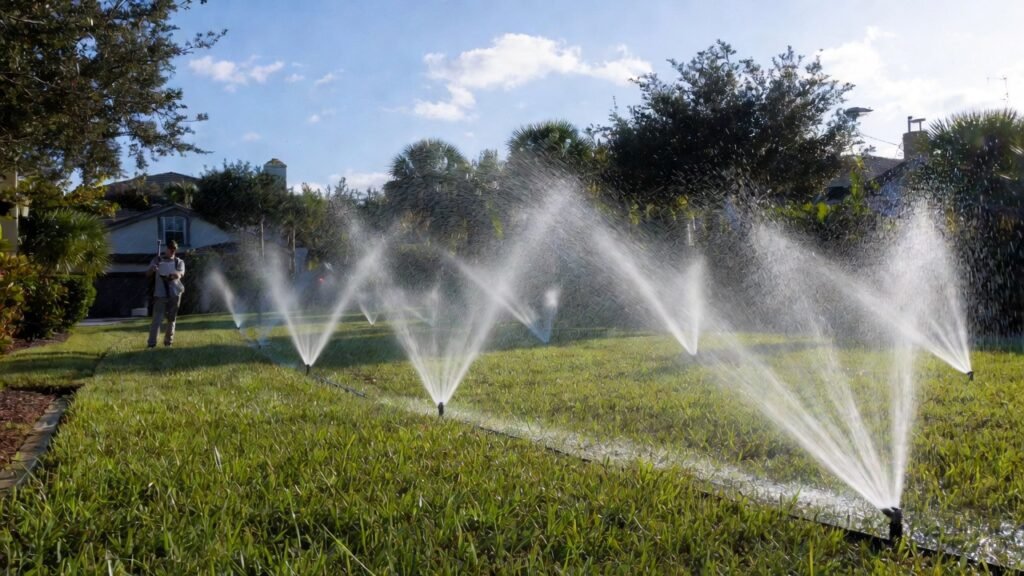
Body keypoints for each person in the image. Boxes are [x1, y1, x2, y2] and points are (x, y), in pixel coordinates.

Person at [147, 239, 185, 348]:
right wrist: (153, 269)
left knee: (171, 319)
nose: (172, 251)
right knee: (156, 320)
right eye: (170, 248)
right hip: (160, 294)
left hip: (174, 294)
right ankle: (151, 344)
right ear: (166, 248)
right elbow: (147, 274)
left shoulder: (179, 262)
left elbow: (181, 273)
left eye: (174, 249)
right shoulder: (157, 260)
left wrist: (174, 275)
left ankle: (168, 343)